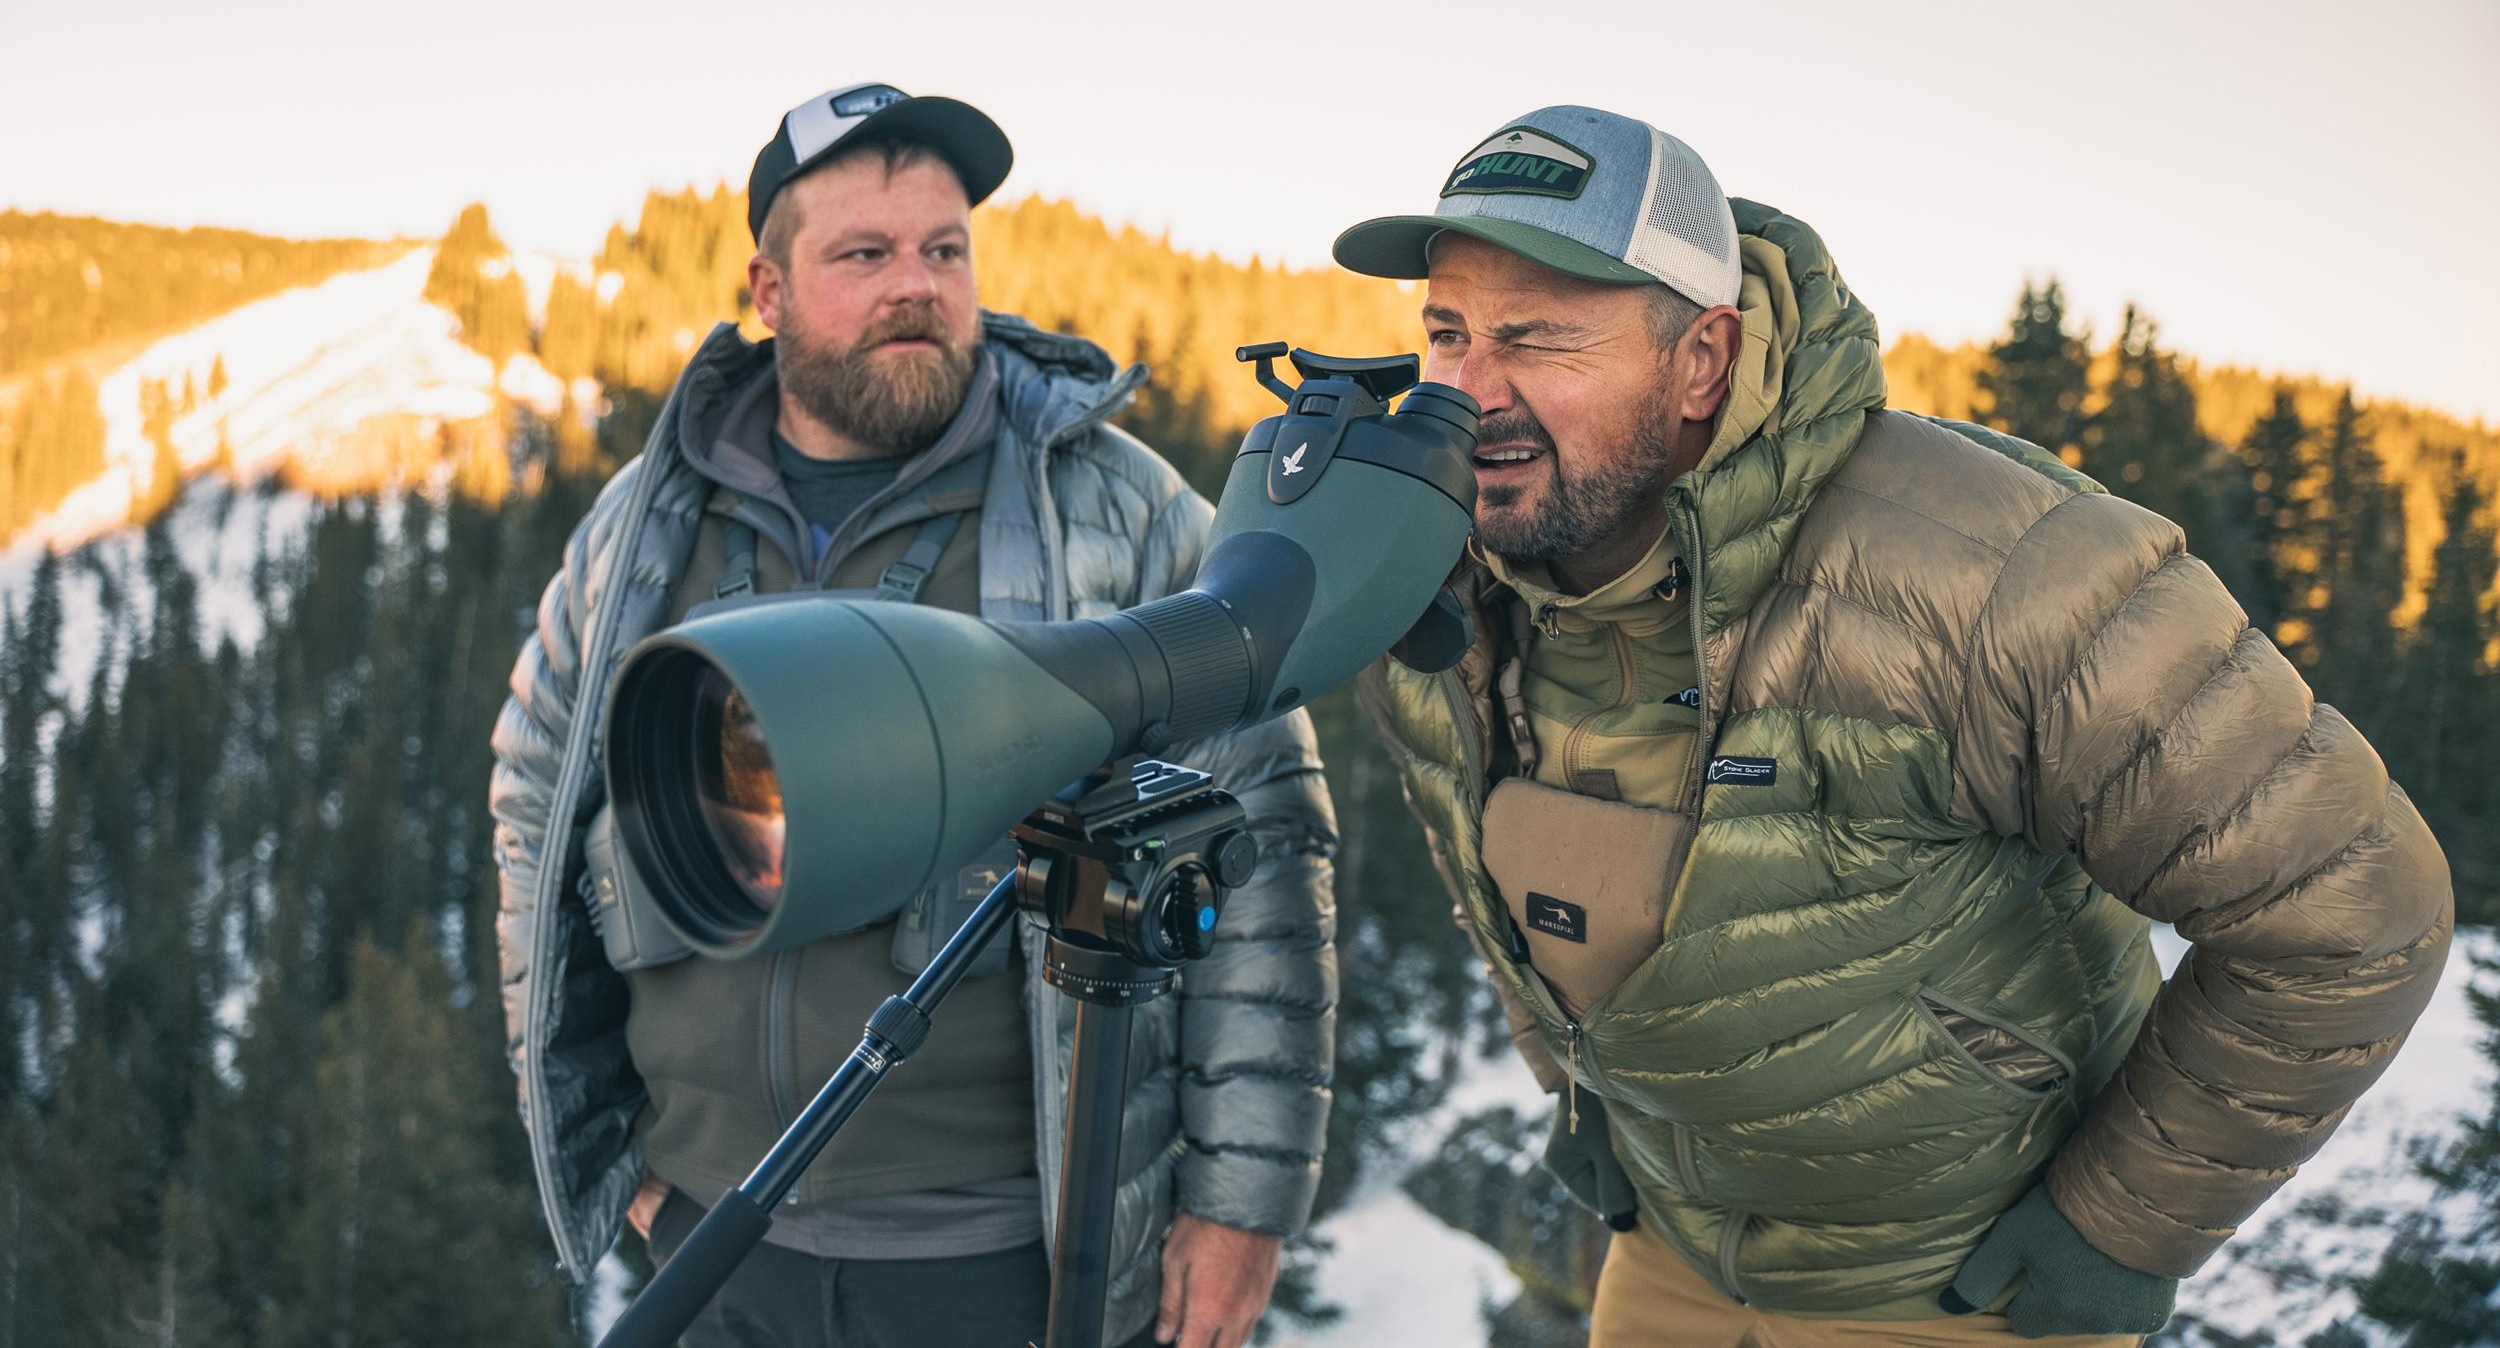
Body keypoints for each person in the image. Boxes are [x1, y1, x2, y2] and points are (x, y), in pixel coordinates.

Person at [1335, 104, 2453, 1345]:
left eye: (1537, 341)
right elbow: (1488, 858)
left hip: (1960, 1289)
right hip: (1668, 1257)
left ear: (1702, 358)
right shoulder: (1434, 574)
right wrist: (1579, 1087)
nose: (1465, 393)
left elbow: (2357, 907)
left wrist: (2123, 1220)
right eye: (1446, 332)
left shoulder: (2002, 574)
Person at [489, 82, 1338, 1348]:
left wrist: (1243, 1203)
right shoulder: (642, 523)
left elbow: (1259, 839)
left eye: (944, 249)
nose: (918, 286)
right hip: (710, 1239)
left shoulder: (1113, 510)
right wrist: (620, 1152)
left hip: (999, 1256)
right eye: (864, 254)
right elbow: (535, 814)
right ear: (767, 291)